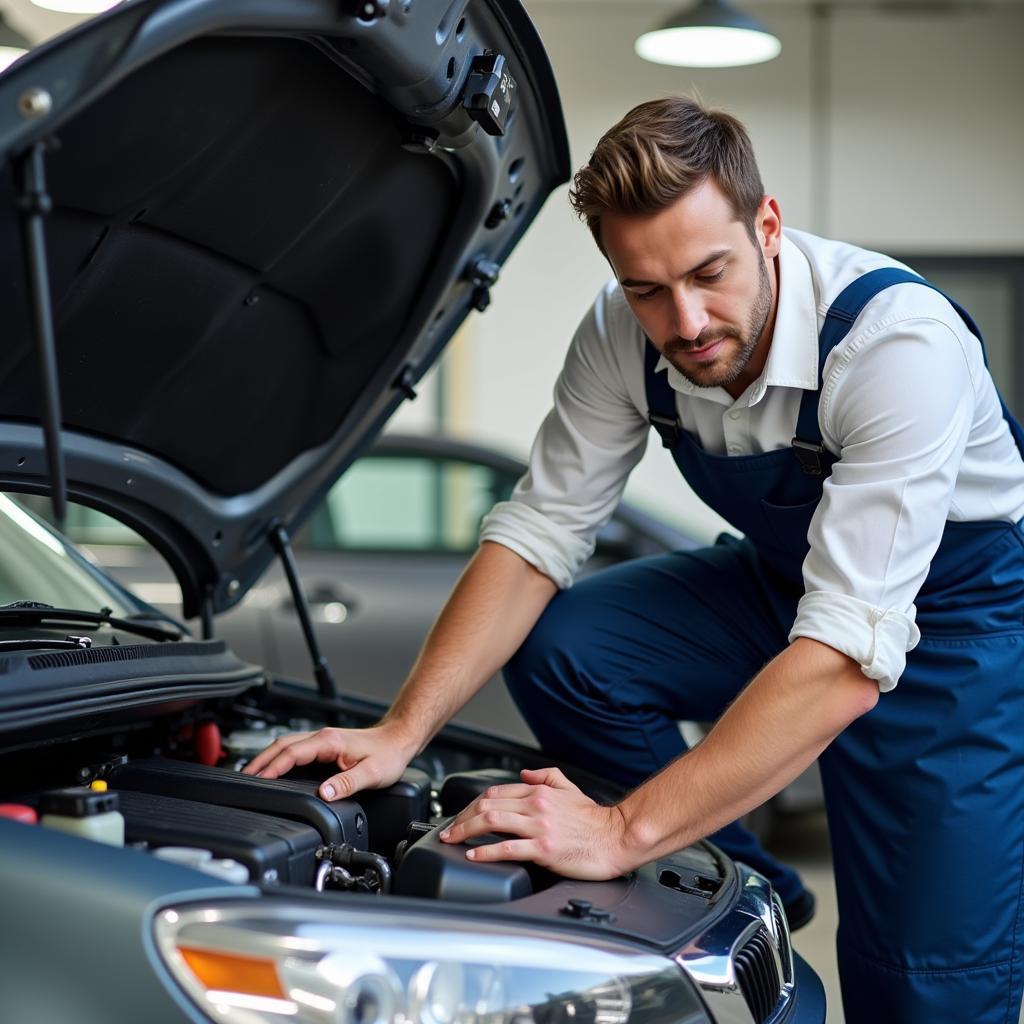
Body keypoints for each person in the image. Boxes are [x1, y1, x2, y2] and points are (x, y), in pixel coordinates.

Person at [244, 97, 1024, 1022]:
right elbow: (539, 531)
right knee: (573, 647)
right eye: (647, 287)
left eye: (709, 272)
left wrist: (619, 832)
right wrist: (400, 732)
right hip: (785, 584)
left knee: (920, 989)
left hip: (954, 629)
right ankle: (754, 883)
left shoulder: (897, 344)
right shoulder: (622, 332)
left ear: (766, 225)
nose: (685, 321)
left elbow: (848, 657)